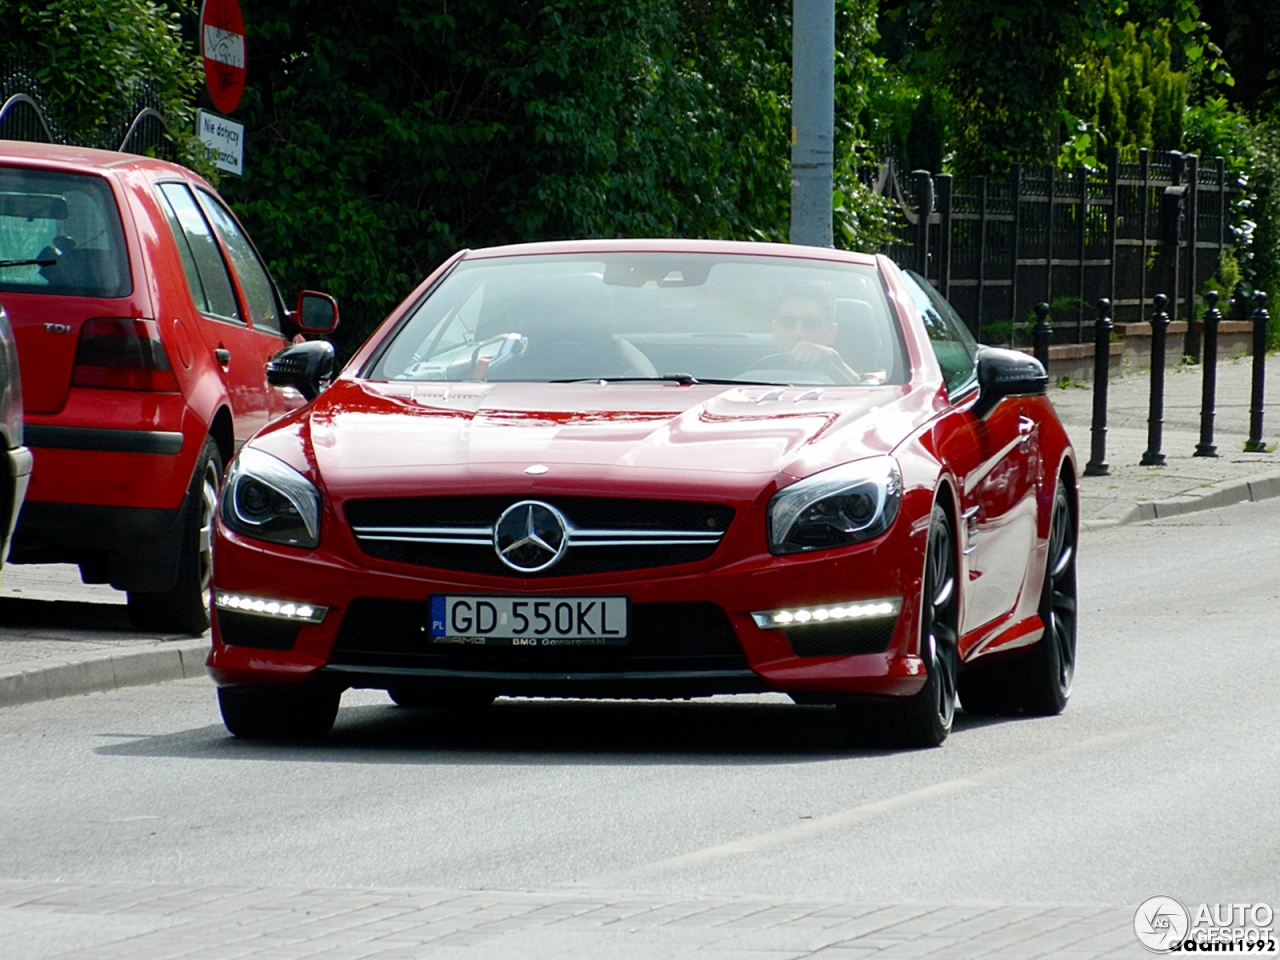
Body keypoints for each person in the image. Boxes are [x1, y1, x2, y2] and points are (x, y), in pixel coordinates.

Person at [769, 281, 860, 382]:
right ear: (774, 329)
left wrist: (837, 363)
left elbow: (864, 391)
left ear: (831, 333)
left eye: (810, 324)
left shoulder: (853, 386)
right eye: (787, 323)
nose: (797, 332)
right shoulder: (750, 375)